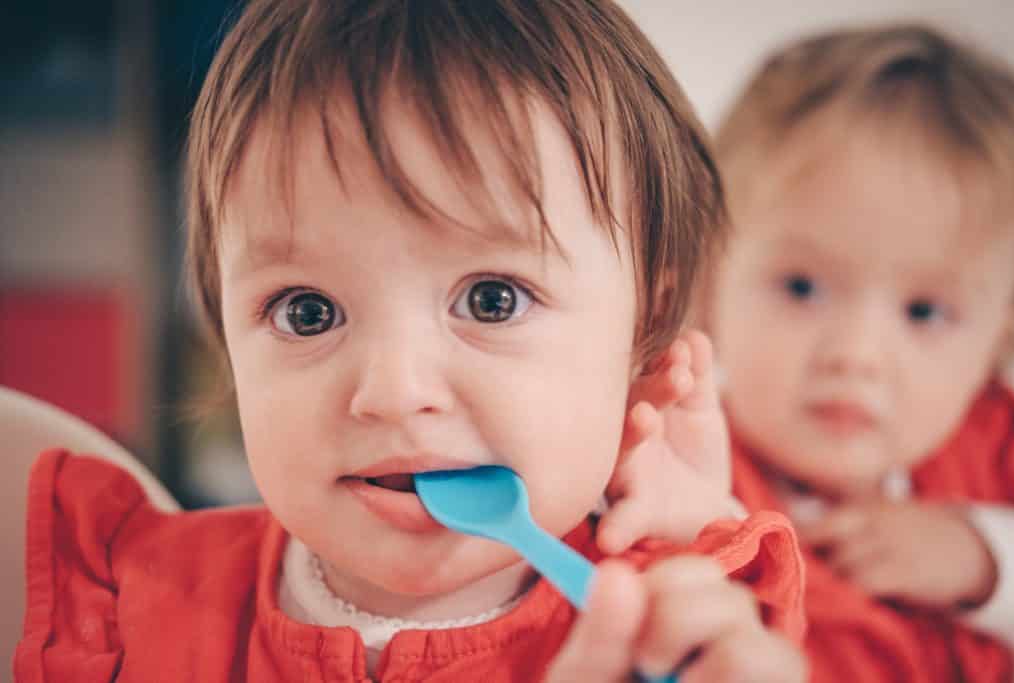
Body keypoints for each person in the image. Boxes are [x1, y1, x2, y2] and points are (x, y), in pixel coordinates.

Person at [16, 2, 807, 681]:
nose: (393, 391)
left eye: (492, 301)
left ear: (645, 337)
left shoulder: (674, 636)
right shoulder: (129, 603)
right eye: (307, 312)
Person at [702, 23, 1014, 682]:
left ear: (1001, 337)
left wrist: (987, 559)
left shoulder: (998, 444)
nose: (856, 355)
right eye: (801, 286)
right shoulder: (686, 479)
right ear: (707, 282)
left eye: (924, 311)